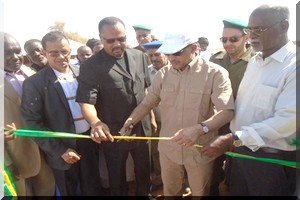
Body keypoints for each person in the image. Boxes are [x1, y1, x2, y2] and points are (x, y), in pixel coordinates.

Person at [119, 31, 235, 197]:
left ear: (194, 48)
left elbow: (226, 111)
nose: (172, 58)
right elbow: (147, 103)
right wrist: (131, 120)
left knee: (200, 194)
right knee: (170, 193)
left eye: (178, 53)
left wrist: (199, 129)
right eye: (169, 53)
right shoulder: (163, 74)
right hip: (169, 149)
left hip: (199, 149)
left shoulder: (215, 73)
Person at [201, 4, 298, 196]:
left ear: (284, 26)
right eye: (249, 30)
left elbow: (287, 121)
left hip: (270, 163)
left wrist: (234, 138)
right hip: (240, 154)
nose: (252, 35)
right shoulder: (255, 62)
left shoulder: (294, 67)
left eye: (259, 29)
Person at [76, 16, 151, 196]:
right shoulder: (91, 66)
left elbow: (146, 92)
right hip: (114, 133)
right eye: (110, 41)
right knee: (116, 178)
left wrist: (152, 117)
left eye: (122, 39)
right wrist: (95, 123)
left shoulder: (139, 56)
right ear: (101, 38)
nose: (117, 44)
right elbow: (86, 101)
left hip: (142, 127)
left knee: (144, 172)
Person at [21, 31, 102, 196]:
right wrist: (60, 151)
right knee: (68, 191)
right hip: (61, 149)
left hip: (89, 142)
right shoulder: (34, 83)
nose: (60, 57)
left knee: (93, 189)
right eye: (54, 53)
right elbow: (32, 123)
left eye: (64, 51)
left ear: (70, 50)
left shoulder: (83, 73)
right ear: (45, 53)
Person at [2, 32, 55, 196]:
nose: (15, 57)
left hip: (45, 150)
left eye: (17, 51)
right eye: (7, 53)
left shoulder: (33, 74)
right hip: (15, 156)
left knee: (48, 192)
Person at [209, 19, 256, 196]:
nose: (228, 43)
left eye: (233, 39)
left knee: (238, 169)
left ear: (247, 37)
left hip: (243, 123)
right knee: (213, 164)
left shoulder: (256, 61)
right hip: (218, 121)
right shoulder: (216, 59)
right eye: (224, 39)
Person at [143, 40, 169, 192]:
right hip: (157, 121)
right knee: (156, 152)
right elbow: (146, 99)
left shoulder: (179, 69)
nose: (154, 58)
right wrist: (151, 118)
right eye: (151, 55)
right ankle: (159, 179)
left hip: (178, 121)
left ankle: (183, 181)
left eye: (157, 54)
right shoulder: (146, 72)